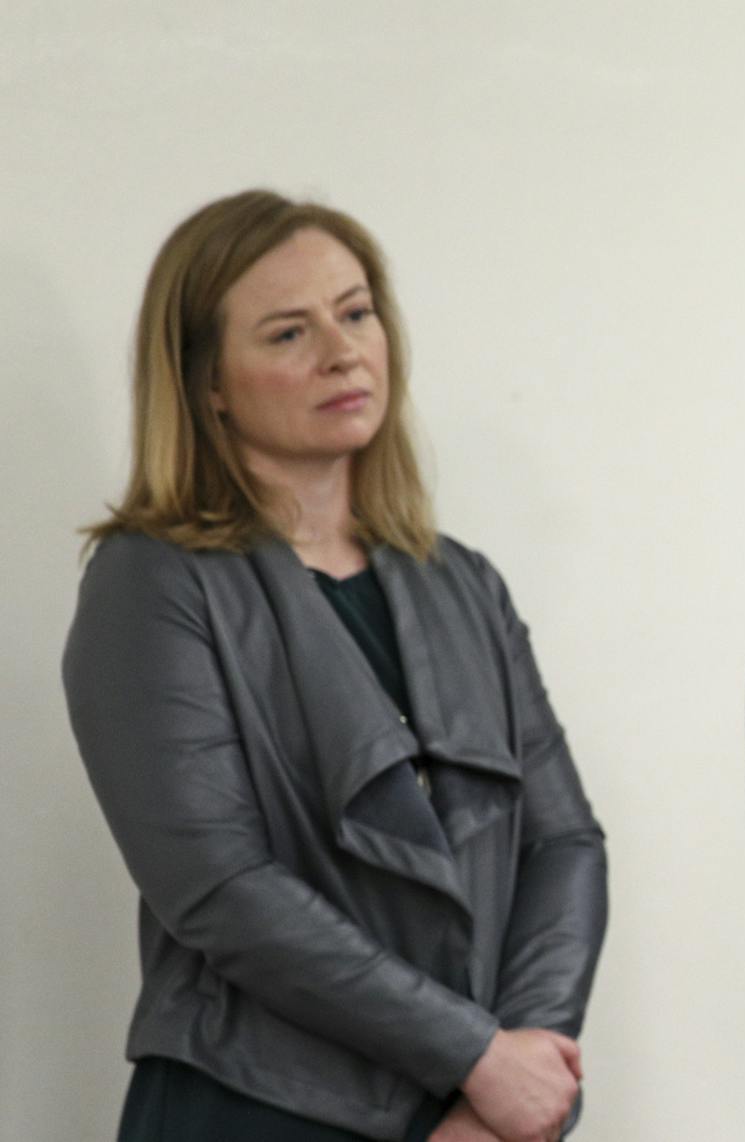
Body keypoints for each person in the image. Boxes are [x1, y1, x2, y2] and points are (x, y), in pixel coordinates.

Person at [61, 190, 607, 1142]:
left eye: (356, 313)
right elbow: (222, 889)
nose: (343, 350)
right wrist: (478, 1057)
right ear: (208, 385)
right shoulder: (149, 582)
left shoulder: (463, 583)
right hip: (255, 1110)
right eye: (287, 333)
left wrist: (518, 1079)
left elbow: (564, 844)